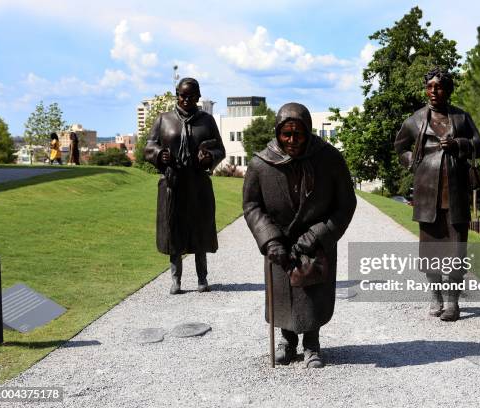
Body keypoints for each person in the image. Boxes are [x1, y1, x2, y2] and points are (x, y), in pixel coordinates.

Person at [243, 102, 356, 368]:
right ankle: (287, 341)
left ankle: (312, 344)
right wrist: (269, 238)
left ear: (309, 132)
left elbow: (346, 203)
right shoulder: (261, 164)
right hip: (279, 241)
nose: (293, 140)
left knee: (313, 291)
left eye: (299, 134)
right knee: (283, 292)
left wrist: (320, 233)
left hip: (315, 242)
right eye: (286, 134)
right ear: (277, 133)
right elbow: (251, 205)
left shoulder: (329, 158)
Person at [394, 68, 480, 321]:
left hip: (455, 193)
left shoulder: (461, 117)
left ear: (448, 90)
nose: (435, 91)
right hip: (427, 193)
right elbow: (400, 146)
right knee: (430, 250)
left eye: (440, 86)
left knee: (456, 250)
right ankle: (435, 296)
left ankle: (453, 302)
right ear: (426, 89)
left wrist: (459, 144)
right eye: (431, 86)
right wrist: (413, 161)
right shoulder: (415, 119)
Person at [144, 78, 225, 295]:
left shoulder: (207, 121)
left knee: (199, 230)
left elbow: (220, 150)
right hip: (173, 183)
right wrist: (160, 154)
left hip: (198, 184)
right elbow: (149, 146)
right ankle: (176, 280)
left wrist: (209, 156)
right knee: (174, 231)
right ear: (177, 95)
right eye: (182, 95)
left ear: (198, 97)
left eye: (190, 95)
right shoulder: (164, 119)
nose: (185, 99)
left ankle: (202, 278)